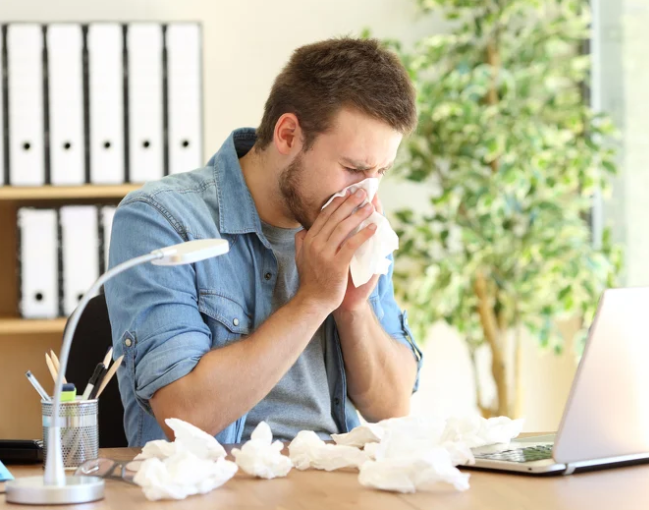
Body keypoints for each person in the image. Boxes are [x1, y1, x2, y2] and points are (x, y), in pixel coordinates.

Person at [104, 37, 423, 446]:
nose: (364, 193)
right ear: (288, 134)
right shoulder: (161, 219)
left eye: (380, 171)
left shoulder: (358, 225)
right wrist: (314, 300)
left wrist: (353, 309)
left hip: (337, 478)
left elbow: (392, 406)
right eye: (352, 168)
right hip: (217, 488)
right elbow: (182, 416)